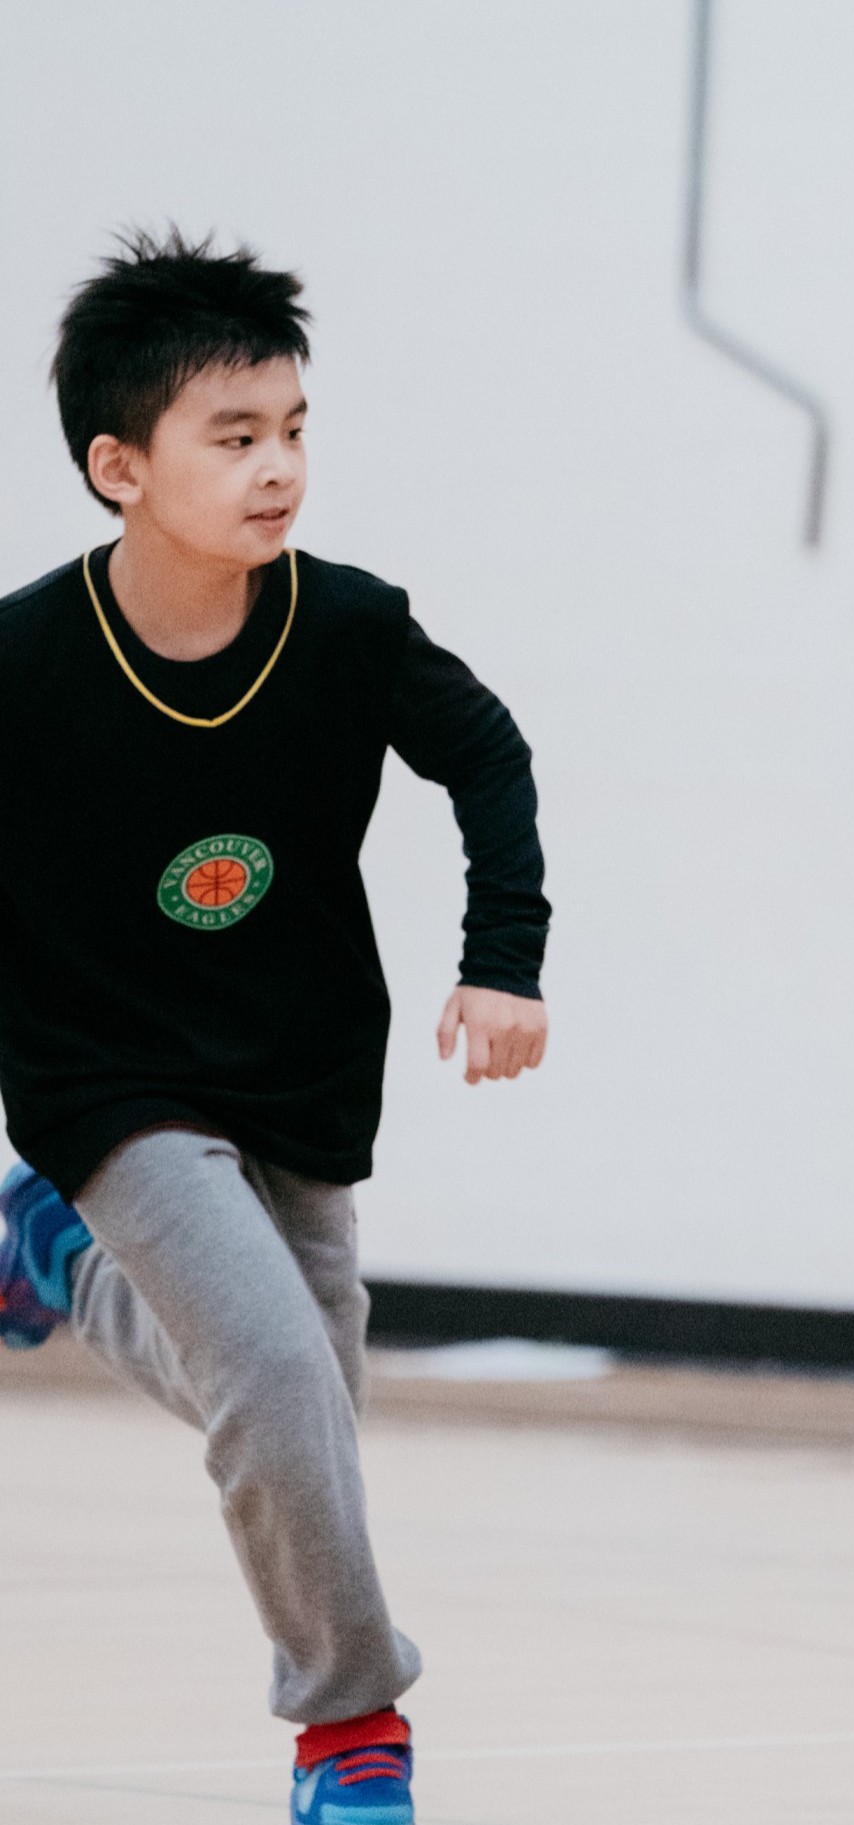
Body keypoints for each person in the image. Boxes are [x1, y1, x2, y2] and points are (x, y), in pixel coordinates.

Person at [0, 232, 549, 1824]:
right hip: (104, 1083)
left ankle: (49, 1270)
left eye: (293, 428)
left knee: (302, 1407)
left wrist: (502, 959)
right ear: (118, 465)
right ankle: (350, 1734)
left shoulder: (348, 626)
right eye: (232, 437)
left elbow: (489, 753)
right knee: (281, 1391)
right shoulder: (26, 664)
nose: (277, 467)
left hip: (300, 1067)